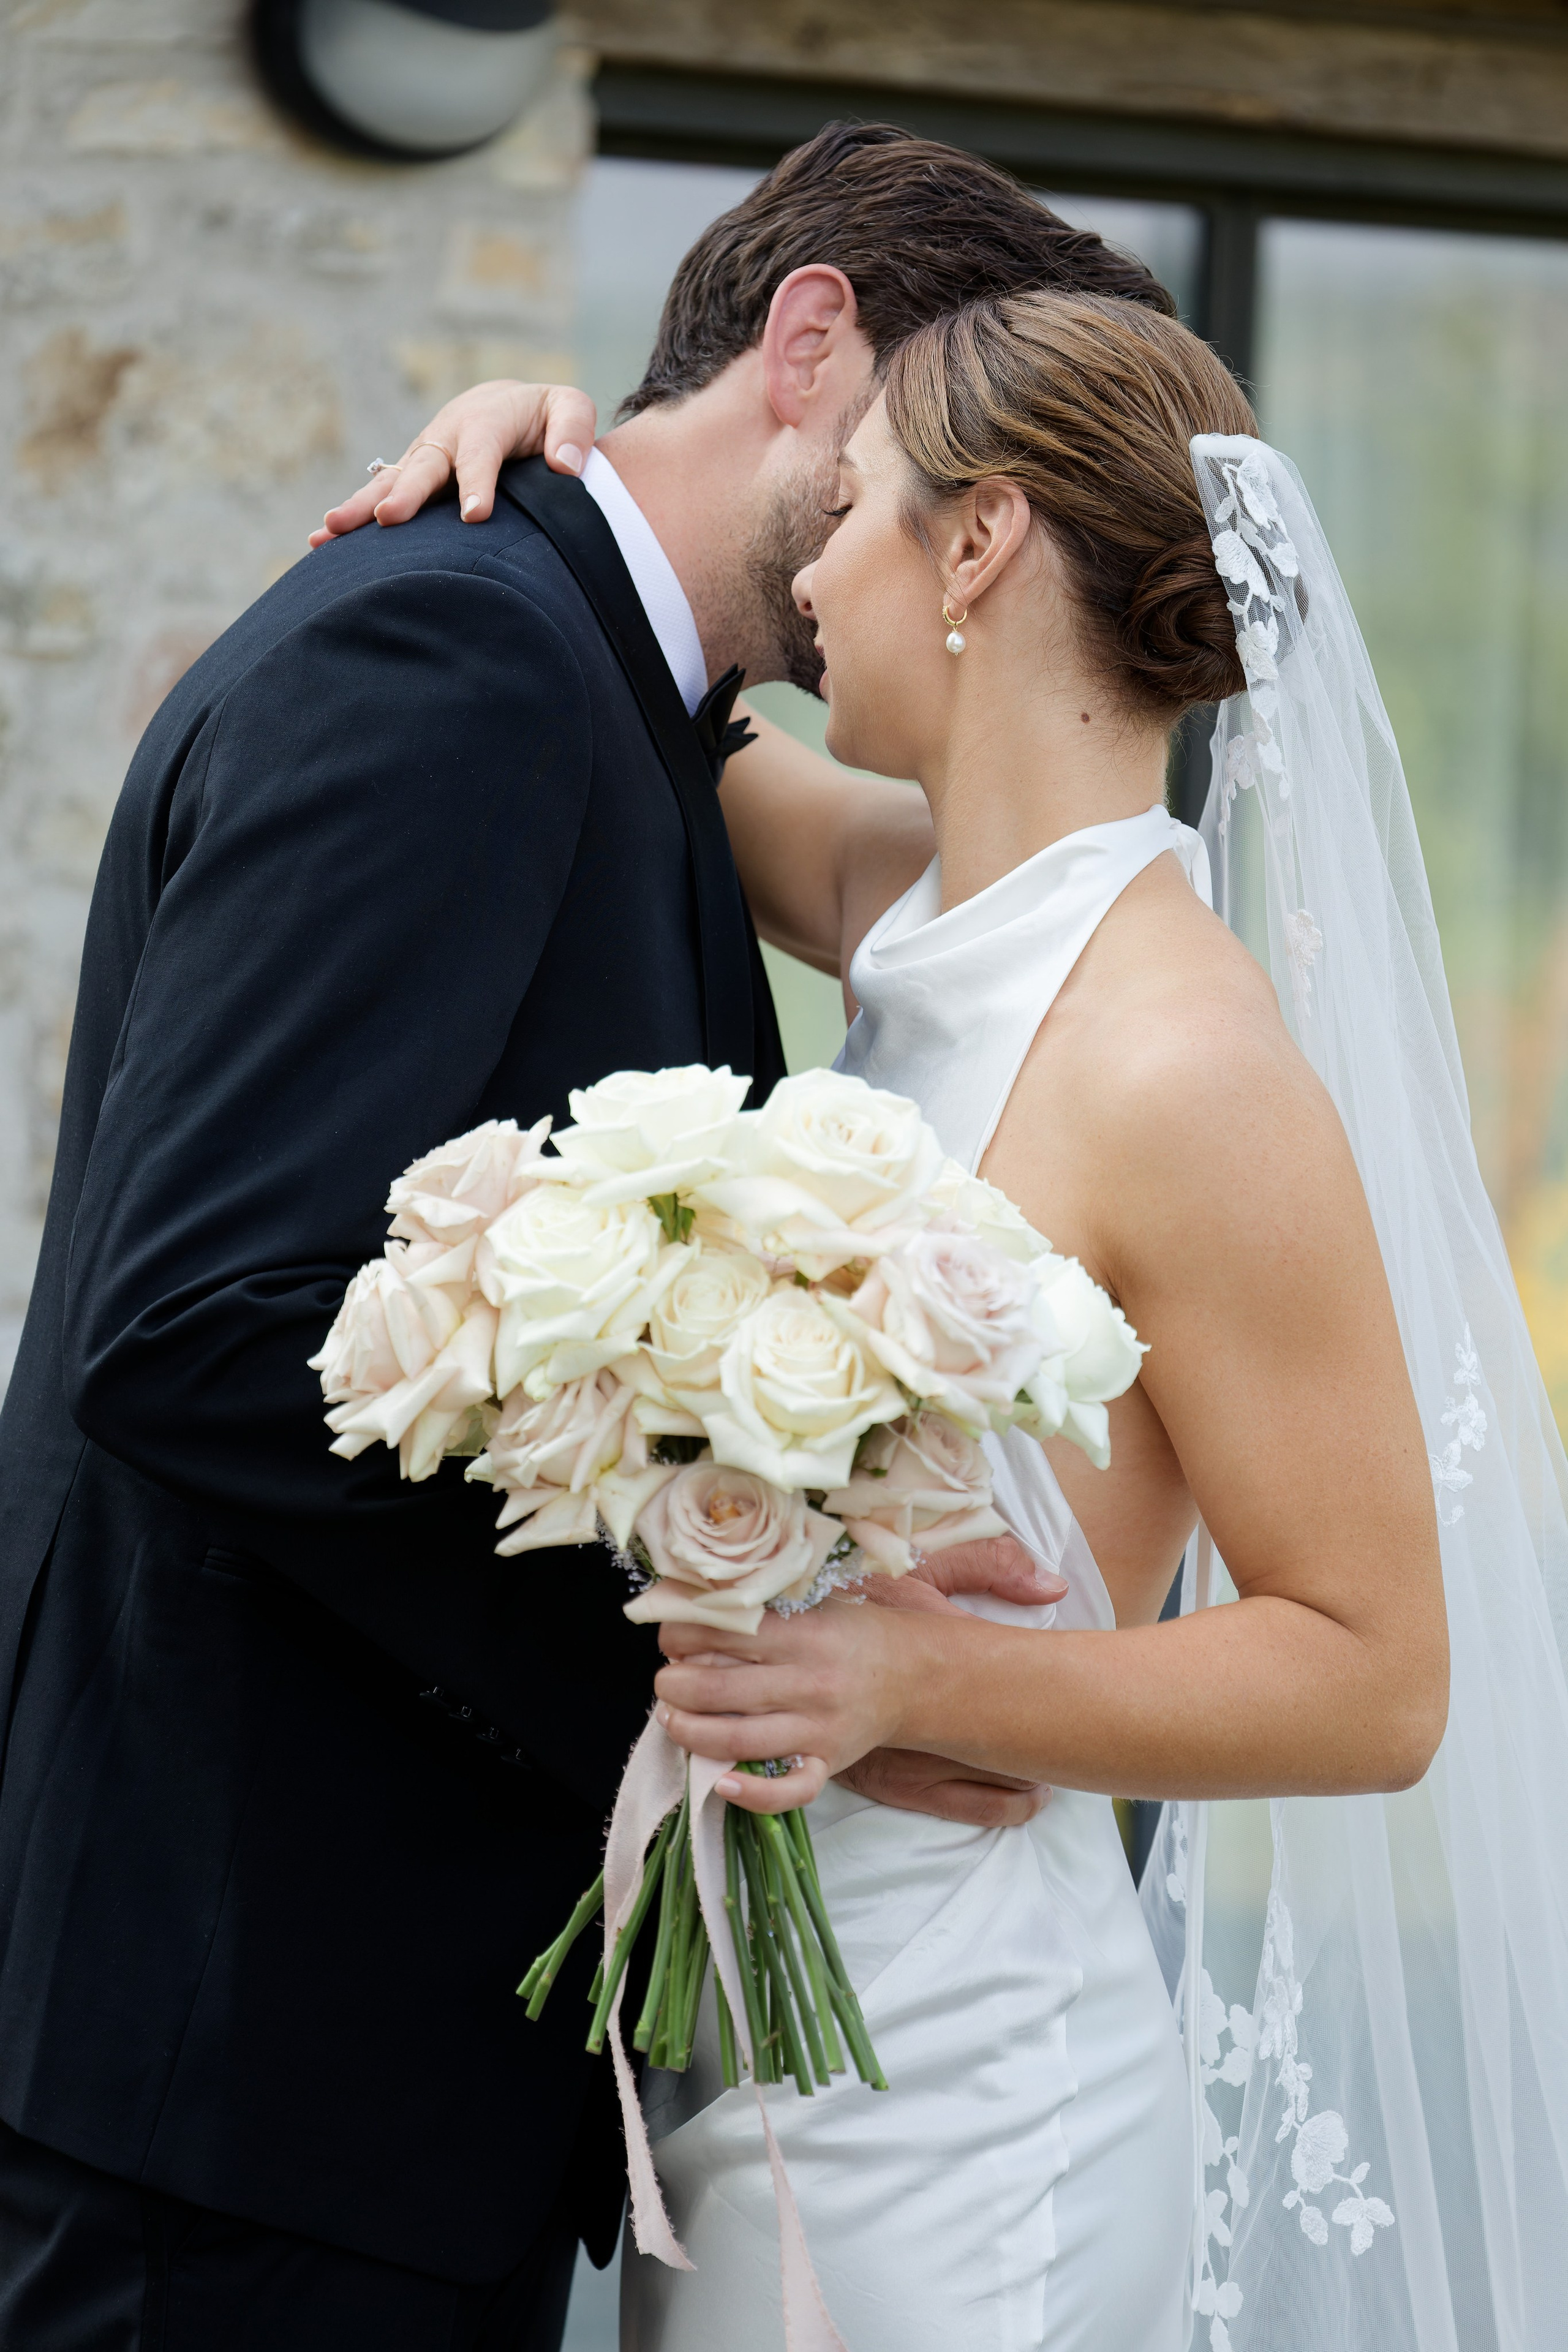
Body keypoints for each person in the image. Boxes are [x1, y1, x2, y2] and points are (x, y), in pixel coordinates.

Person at [0, 127, 1183, 2351]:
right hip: (237, 2061)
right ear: (812, 341)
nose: (950, 527)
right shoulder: (460, 648)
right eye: (941, 444)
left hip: (363, 2087)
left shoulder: (613, 694)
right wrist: (724, 1668)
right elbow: (193, 1324)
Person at [340, 286, 1568, 2348]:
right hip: (753, 2061)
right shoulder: (923, 901)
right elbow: (662, 679)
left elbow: (1378, 1678)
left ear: (980, 543)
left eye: (865, 508)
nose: (810, 564)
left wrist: (908, 1678)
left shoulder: (1186, 1062)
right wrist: (536, 450)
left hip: (968, 2106)